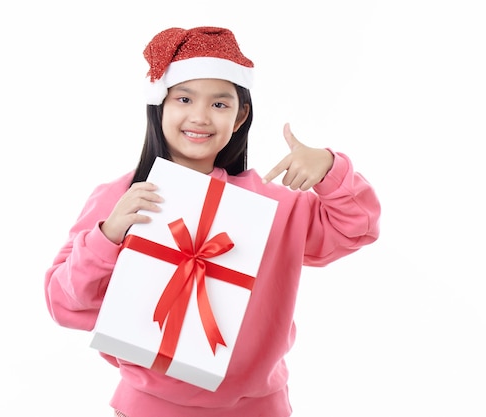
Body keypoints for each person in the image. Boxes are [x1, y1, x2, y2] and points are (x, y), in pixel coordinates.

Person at [45, 26, 381, 417]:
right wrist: (108, 236)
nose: (200, 117)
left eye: (220, 105)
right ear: (160, 106)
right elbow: (64, 304)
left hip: (258, 408)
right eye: (184, 98)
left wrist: (329, 169)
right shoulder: (124, 196)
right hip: (146, 409)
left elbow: (358, 227)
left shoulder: (271, 203)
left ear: (240, 117)